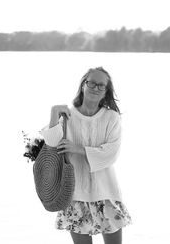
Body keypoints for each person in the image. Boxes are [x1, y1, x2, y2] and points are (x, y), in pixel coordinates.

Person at [40, 67, 132, 244]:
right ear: (83, 85)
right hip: (75, 195)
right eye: (91, 83)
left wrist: (79, 149)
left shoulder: (111, 117)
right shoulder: (67, 115)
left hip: (106, 193)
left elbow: (111, 154)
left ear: (106, 92)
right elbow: (51, 144)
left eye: (101, 85)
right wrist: (54, 113)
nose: (95, 88)